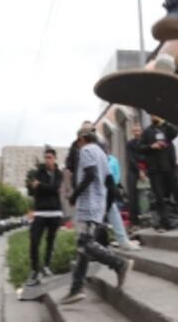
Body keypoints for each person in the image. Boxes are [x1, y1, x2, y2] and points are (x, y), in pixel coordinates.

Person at [59, 130, 133, 305]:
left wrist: (74, 195)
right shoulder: (101, 153)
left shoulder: (86, 151)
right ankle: (76, 289)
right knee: (83, 248)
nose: (77, 146)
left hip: (88, 204)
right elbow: (109, 181)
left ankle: (119, 263)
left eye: (77, 142)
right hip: (97, 204)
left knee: (84, 243)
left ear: (82, 139)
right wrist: (106, 204)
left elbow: (90, 175)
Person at [140, 115, 178, 231]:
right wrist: (151, 146)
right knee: (159, 197)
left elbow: (176, 132)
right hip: (155, 170)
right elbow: (140, 147)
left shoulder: (166, 128)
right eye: (152, 114)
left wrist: (164, 122)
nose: (154, 116)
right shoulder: (147, 131)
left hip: (170, 167)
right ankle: (165, 223)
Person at [26, 148, 64, 287]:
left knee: (50, 240)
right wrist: (36, 186)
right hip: (41, 212)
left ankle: (46, 266)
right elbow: (33, 189)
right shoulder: (38, 172)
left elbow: (55, 188)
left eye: (50, 157)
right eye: (46, 157)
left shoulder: (59, 173)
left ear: (55, 158)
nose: (47, 159)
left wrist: (40, 185)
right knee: (34, 240)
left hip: (55, 212)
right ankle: (35, 270)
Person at [125, 123, 146, 227]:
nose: (137, 133)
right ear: (132, 132)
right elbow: (131, 159)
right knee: (132, 194)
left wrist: (144, 170)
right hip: (133, 170)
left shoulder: (146, 142)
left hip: (147, 169)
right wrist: (139, 171)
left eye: (139, 130)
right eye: (135, 131)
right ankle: (134, 220)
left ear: (142, 131)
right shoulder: (129, 144)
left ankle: (150, 216)